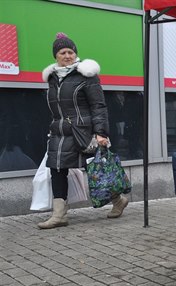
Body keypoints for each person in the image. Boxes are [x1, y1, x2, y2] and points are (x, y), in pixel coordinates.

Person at [38, 33, 127, 229]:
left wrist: (101, 132)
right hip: (59, 132)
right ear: (56, 56)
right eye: (63, 52)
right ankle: (59, 214)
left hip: (83, 132)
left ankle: (118, 200)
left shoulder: (86, 75)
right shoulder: (52, 78)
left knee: (95, 169)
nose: (67, 55)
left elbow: (99, 106)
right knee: (57, 169)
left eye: (71, 51)